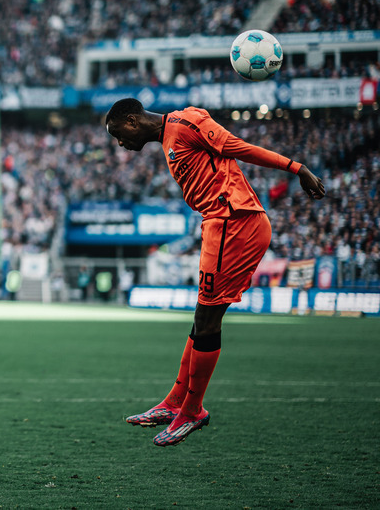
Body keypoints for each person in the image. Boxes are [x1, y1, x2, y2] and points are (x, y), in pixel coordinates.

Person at [105, 98, 326, 446]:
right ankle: (175, 402)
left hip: (235, 223)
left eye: (118, 134)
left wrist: (297, 168)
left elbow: (240, 148)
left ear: (132, 121)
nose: (120, 143)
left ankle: (193, 411)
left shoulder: (185, 123)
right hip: (220, 225)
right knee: (200, 318)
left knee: (207, 321)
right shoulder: (169, 138)